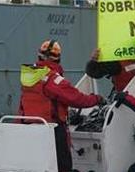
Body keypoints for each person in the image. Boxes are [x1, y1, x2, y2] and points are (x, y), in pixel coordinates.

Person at [18, 39, 105, 172]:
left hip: (28, 128)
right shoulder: (52, 79)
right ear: (58, 59)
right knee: (63, 165)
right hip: (52, 129)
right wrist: (97, 99)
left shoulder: (29, 75)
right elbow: (77, 99)